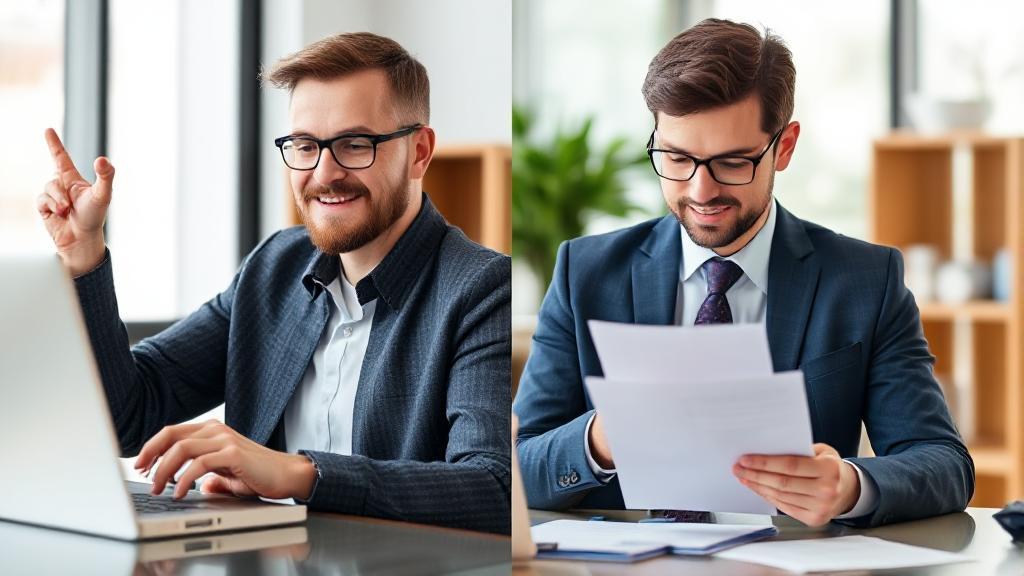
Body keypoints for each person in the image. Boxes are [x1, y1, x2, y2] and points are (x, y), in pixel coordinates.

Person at [38, 32, 511, 534]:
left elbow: (491, 485)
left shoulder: (481, 288)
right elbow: (127, 414)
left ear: (419, 152)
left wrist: (299, 474)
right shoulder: (275, 267)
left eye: (355, 145)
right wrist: (83, 254)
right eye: (305, 145)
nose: (324, 174)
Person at [513, 18, 973, 528]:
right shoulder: (586, 273)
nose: (700, 190)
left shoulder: (866, 280)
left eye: (732, 163)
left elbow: (944, 463)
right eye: (676, 158)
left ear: (786, 146)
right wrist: (601, 438)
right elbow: (518, 467)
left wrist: (849, 486)